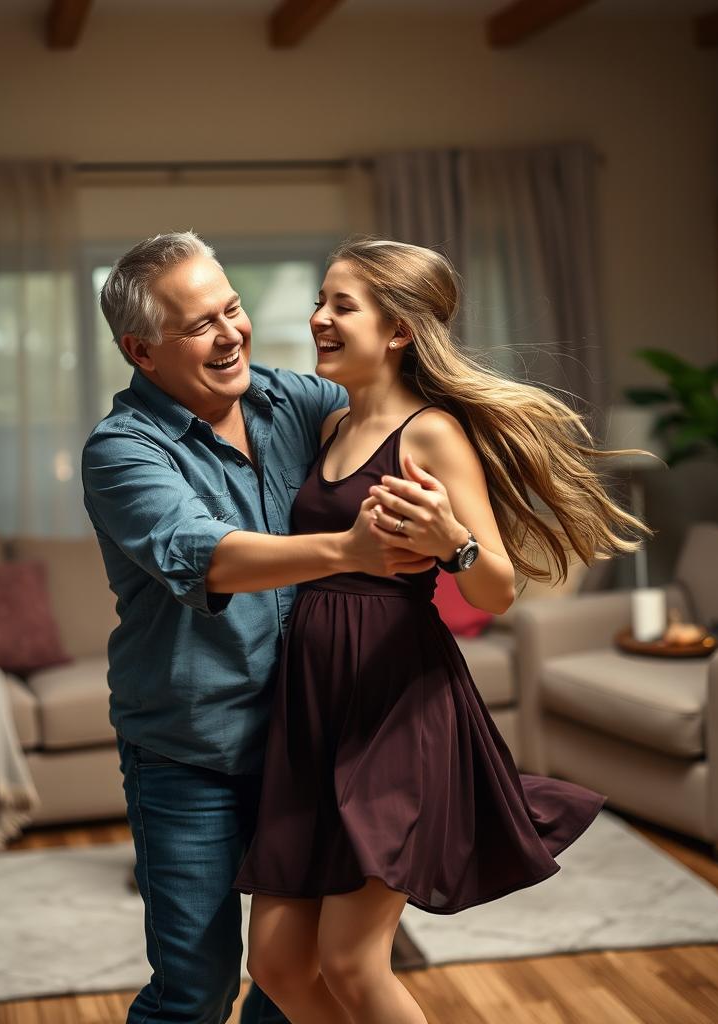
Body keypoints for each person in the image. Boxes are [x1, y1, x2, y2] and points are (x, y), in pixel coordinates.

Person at [231, 237, 654, 1024]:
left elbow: (496, 588)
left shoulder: (431, 434)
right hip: (314, 706)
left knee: (352, 962)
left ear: (398, 330)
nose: (319, 318)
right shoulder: (331, 429)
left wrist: (451, 544)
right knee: (278, 964)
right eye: (320, 302)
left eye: (342, 305)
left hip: (397, 704)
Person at [81, 232, 440, 1024]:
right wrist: (348, 550)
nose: (230, 334)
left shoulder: (291, 401)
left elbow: (398, 408)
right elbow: (205, 554)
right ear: (141, 350)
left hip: (308, 743)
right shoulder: (121, 451)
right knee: (196, 987)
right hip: (191, 752)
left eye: (232, 309)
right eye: (199, 325)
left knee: (286, 976)